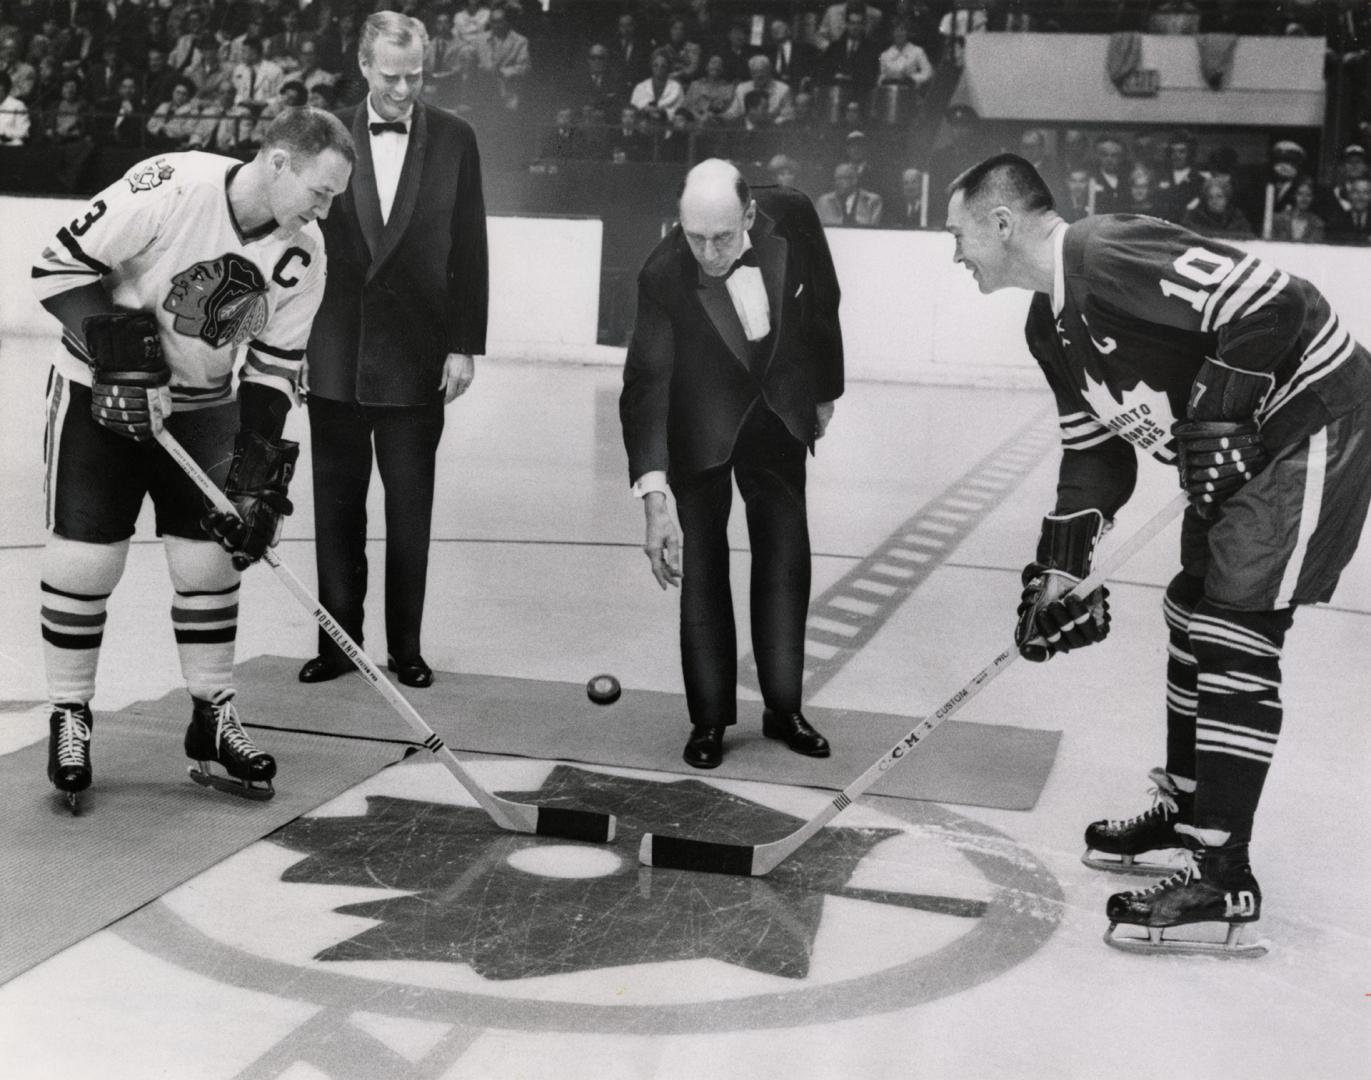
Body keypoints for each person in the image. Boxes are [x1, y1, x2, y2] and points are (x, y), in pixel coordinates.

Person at [943, 153, 1371, 955]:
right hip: (1242, 448)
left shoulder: (1103, 251)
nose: (955, 254)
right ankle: (1186, 805)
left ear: (1000, 224)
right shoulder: (1048, 326)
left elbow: (1272, 302)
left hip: (1311, 422)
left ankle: (1222, 874)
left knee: (1235, 629)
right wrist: (1059, 571)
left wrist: (1220, 410)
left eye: (958, 234)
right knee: (1187, 609)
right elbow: (1097, 458)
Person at [30, 108, 355, 808]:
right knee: (84, 562)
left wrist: (255, 477)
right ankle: (70, 713)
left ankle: (213, 714)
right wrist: (121, 360)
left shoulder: (306, 254)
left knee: (209, 563)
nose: (324, 209)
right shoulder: (171, 186)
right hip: (97, 396)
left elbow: (271, 368)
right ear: (277, 162)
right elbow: (55, 269)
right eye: (319, 191)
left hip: (207, 405)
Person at [619, 159, 844, 769]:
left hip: (779, 411)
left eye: (722, 237)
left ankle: (784, 708)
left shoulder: (793, 215)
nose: (709, 252)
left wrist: (825, 391)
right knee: (704, 566)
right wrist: (654, 499)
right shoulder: (663, 272)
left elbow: (824, 301)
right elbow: (646, 386)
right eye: (695, 237)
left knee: (784, 556)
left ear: (749, 214)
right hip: (701, 425)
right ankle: (710, 719)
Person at [298, 10, 488, 690]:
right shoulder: (322, 134)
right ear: (363, 66)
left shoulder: (457, 139)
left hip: (417, 357)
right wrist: (289, 342)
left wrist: (465, 345)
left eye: (415, 76)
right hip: (334, 353)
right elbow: (292, 240)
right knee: (336, 508)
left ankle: (406, 646)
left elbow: (469, 247)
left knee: (410, 512)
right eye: (391, 76)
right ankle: (337, 644)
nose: (404, 90)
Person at [816, 161, 883, 226]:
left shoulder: (873, 201)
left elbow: (874, 229)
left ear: (854, 180)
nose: (837, 182)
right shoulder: (824, 201)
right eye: (836, 179)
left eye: (841, 178)